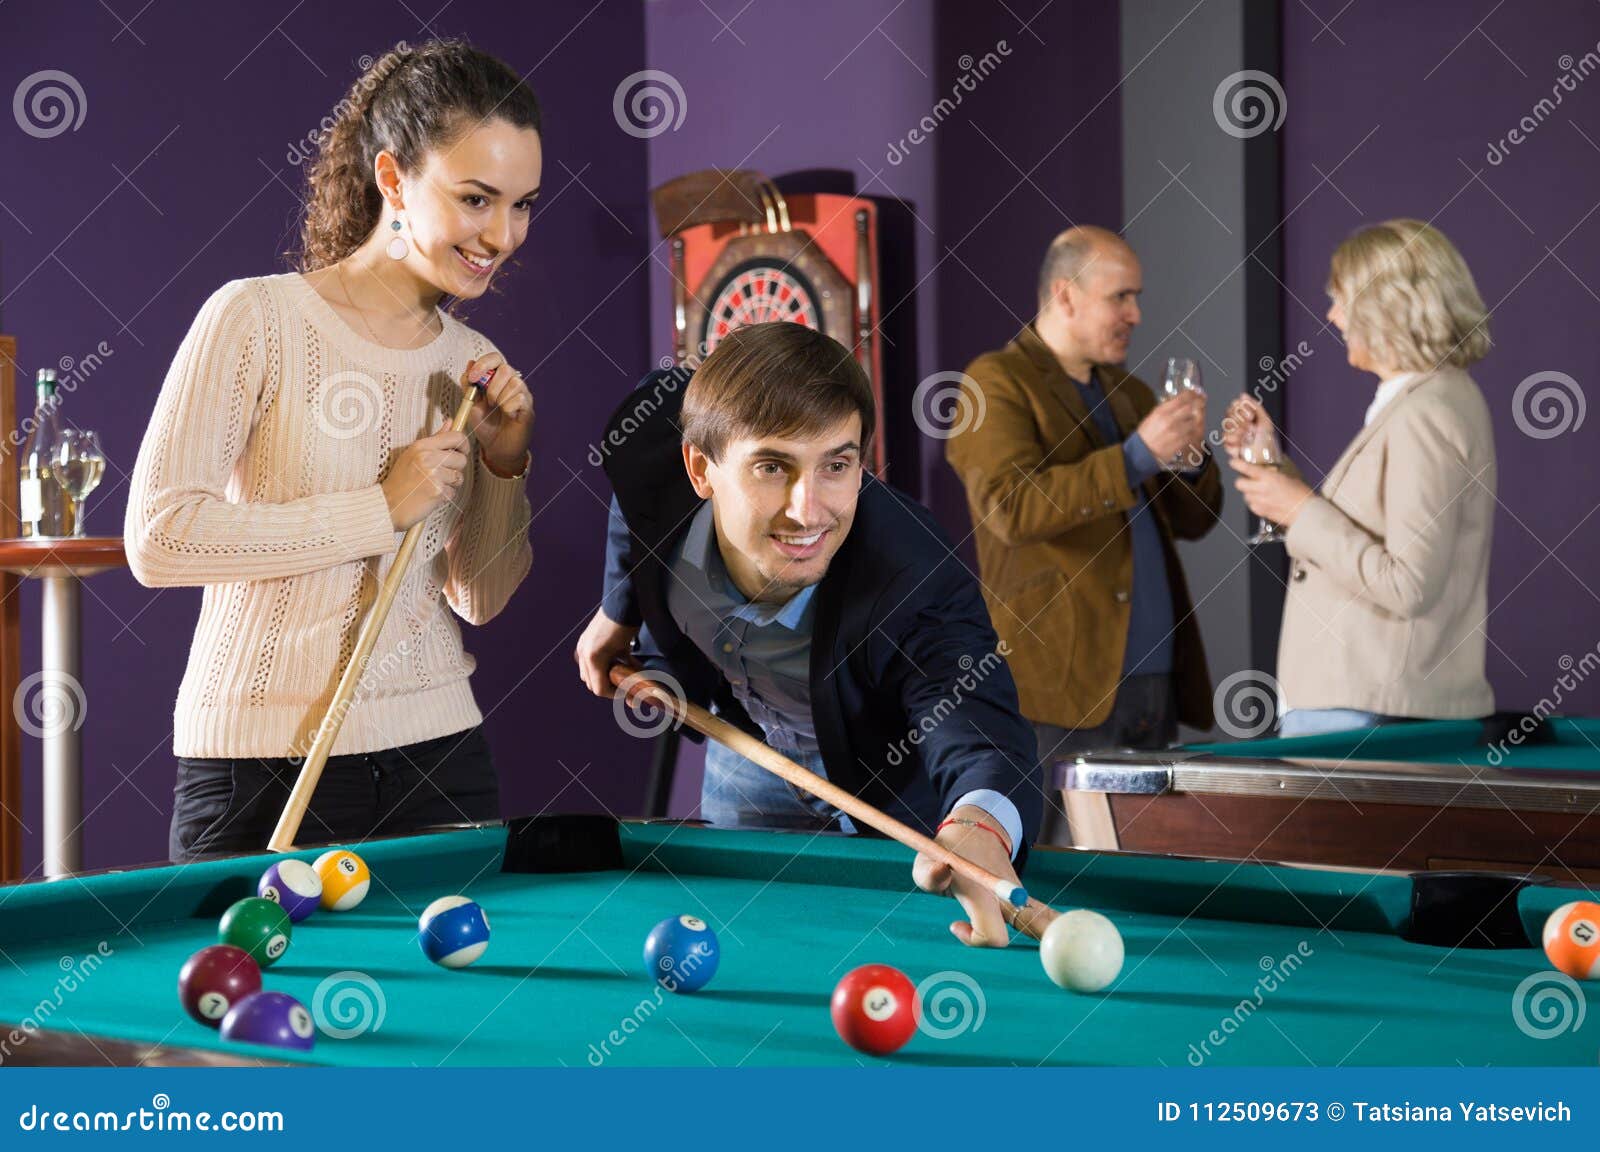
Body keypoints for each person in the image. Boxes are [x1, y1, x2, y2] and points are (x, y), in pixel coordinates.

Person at [125, 41, 541, 860]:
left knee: (457, 994)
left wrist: (506, 463)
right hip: (259, 763)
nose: (502, 234)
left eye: (524, 204)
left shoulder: (471, 360)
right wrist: (379, 509)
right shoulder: (255, 318)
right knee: (253, 993)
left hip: (440, 757)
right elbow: (160, 538)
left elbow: (480, 598)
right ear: (393, 180)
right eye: (476, 198)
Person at [574, 322, 1042, 948]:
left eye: (836, 465)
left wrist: (981, 825)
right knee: (745, 947)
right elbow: (637, 494)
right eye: (772, 465)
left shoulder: (911, 572)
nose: (808, 510)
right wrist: (618, 610)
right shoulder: (658, 445)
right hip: (748, 751)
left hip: (881, 785)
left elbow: (978, 728)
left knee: (873, 957)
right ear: (699, 468)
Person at [945, 226, 1223, 843]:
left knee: (1150, 869)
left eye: (1136, 297)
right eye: (1120, 297)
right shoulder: (992, 382)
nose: (1136, 314)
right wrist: (1136, 456)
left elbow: (1197, 522)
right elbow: (1011, 507)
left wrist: (1192, 458)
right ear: (1066, 295)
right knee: (1063, 872)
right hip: (1061, 687)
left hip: (1153, 679)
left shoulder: (1128, 391)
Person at [1225, 219, 1496, 736]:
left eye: (1342, 301)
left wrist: (1298, 508)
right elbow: (1367, 529)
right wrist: (1276, 470)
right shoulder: (1430, 400)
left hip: (1370, 709)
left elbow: (1409, 583)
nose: (1332, 316)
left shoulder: (1425, 413)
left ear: (1388, 307)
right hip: (1376, 701)